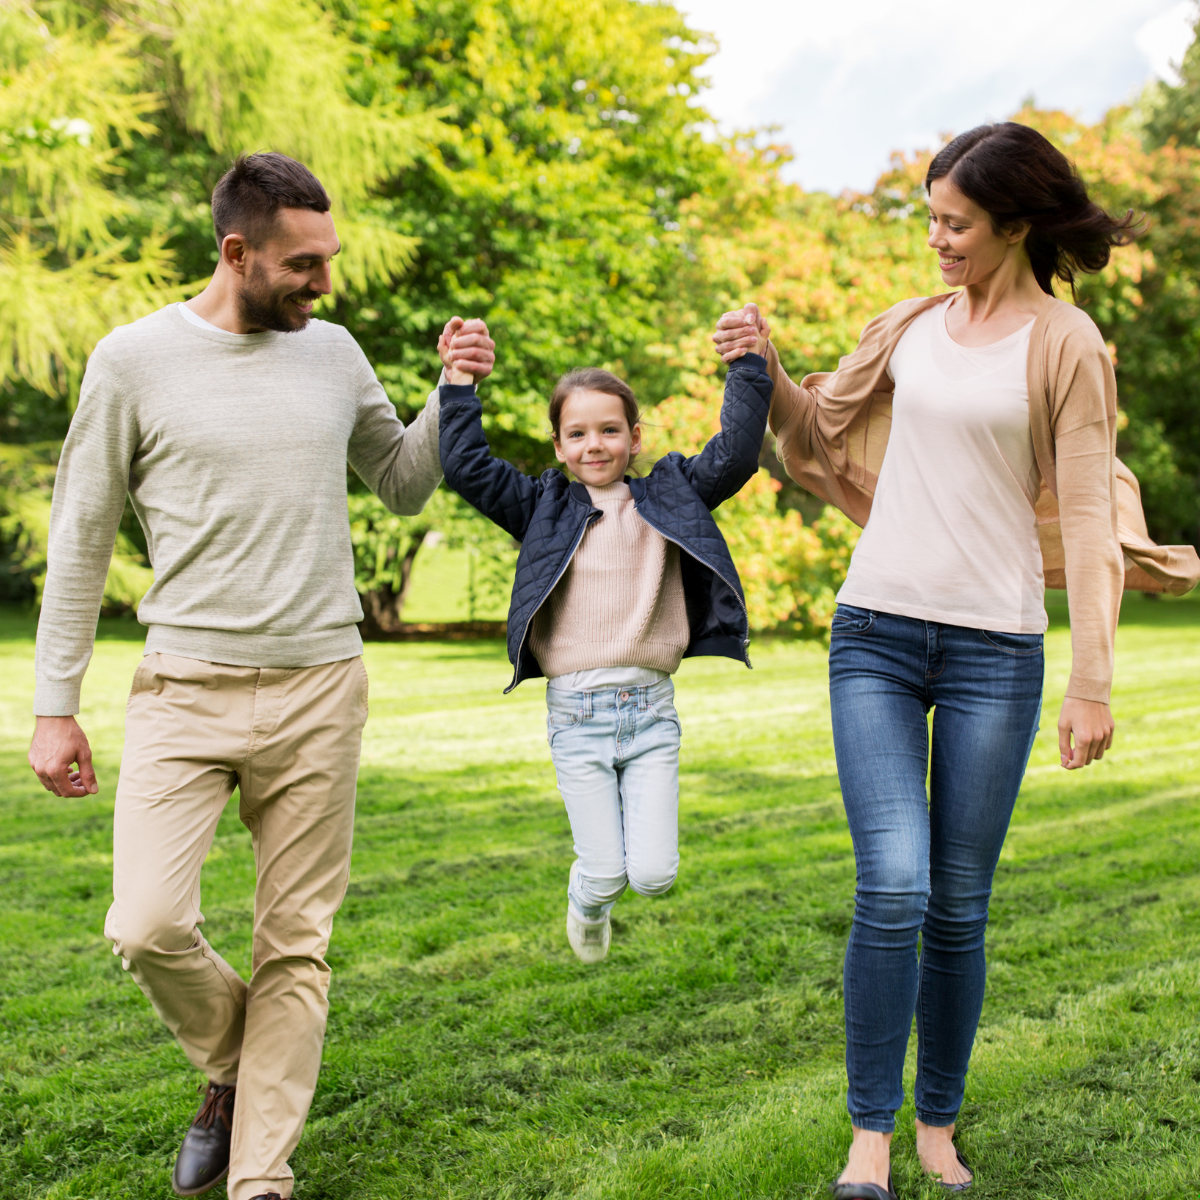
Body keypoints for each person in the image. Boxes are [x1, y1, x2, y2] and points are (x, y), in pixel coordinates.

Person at [713, 122, 1199, 1199]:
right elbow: (818, 432)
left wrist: (1093, 681)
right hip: (876, 631)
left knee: (960, 902)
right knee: (893, 882)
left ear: (1016, 225)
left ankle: (938, 1123)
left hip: (995, 650)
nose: (935, 240)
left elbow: (1083, 511)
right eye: (929, 218)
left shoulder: (1067, 344)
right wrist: (771, 365)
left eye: (955, 223)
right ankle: (868, 1142)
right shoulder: (913, 327)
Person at [26, 152, 495, 1200]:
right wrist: (56, 708)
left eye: (327, 260)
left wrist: (451, 390)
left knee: (296, 943)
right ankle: (239, 1066)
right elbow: (81, 540)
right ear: (236, 253)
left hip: (321, 685)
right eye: (302, 265)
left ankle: (261, 1179)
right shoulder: (132, 361)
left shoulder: (332, 354)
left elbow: (406, 482)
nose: (324, 283)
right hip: (183, 686)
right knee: (143, 925)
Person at [436, 324, 773, 963]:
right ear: (559, 446)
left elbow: (735, 454)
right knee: (606, 873)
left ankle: (610, 887)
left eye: (610, 430)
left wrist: (748, 366)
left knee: (653, 877)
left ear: (635, 438)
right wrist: (459, 383)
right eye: (579, 433)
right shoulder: (541, 507)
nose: (596, 444)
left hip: (650, 716)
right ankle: (587, 902)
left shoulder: (670, 495)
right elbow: (466, 467)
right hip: (577, 719)